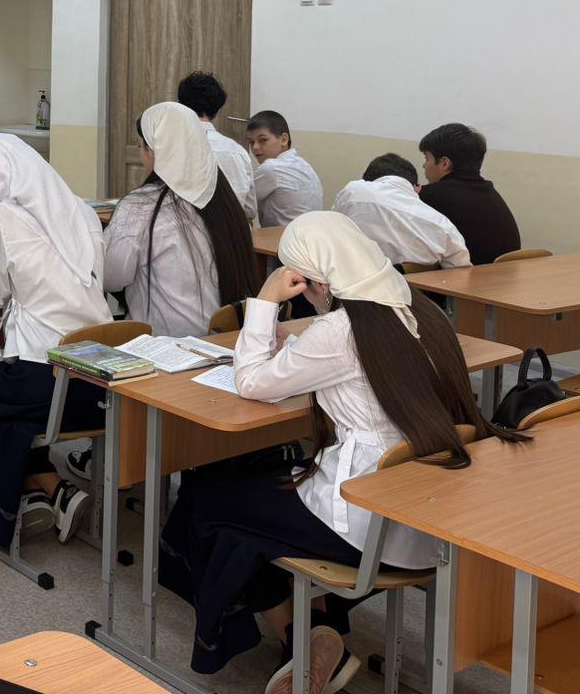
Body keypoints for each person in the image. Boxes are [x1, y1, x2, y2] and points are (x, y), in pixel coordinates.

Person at [159, 212, 524, 694]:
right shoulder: (417, 309)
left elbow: (250, 383)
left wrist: (265, 301)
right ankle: (307, 635)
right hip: (424, 514)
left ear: (320, 279)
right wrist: (299, 346)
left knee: (205, 497)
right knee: (249, 503)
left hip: (362, 519)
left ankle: (298, 637)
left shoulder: (341, 330)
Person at [0, 134, 111, 545]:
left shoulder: (0, 219)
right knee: (9, 415)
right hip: (98, 380)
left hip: (48, 379)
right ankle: (52, 489)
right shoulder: (82, 211)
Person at [104, 102, 256, 336]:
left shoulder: (141, 205)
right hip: (223, 342)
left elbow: (110, 277)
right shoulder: (224, 201)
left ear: (154, 150)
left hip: (162, 347)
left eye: (140, 145)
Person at [331, 154, 470, 270]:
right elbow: (460, 274)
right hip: (413, 293)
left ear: (367, 181)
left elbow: (330, 235)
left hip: (350, 287)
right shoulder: (443, 226)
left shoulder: (353, 192)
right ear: (417, 189)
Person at [416, 123, 522, 264]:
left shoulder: (430, 196)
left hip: (468, 276)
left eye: (426, 158)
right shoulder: (490, 192)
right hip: (508, 274)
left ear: (444, 163)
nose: (424, 165)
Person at [177, 70, 256, 223]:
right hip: (230, 234)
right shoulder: (239, 152)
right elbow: (250, 210)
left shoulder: (174, 147)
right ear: (217, 110)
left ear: (181, 106)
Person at [247, 109, 324, 227]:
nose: (255, 147)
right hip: (312, 234)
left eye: (263, 140)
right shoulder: (306, 166)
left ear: (284, 139)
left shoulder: (271, 168)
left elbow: (241, 203)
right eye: (251, 142)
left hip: (281, 237)